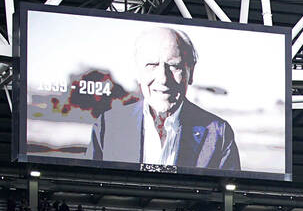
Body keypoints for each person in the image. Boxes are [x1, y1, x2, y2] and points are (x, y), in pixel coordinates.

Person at [87, 27, 240, 170]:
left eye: (174, 66)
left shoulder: (218, 133)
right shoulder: (108, 126)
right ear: (138, 73)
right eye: (152, 65)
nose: (163, 78)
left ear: (190, 73)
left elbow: (227, 195)